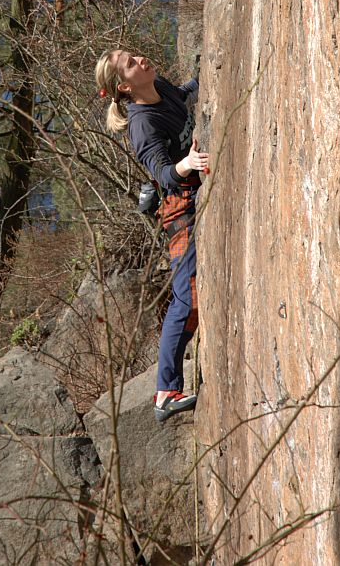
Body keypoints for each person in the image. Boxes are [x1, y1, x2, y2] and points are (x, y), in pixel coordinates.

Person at [95, 50, 209, 422]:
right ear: (125, 86)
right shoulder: (141, 124)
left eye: (134, 55)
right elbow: (162, 173)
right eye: (131, 63)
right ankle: (164, 393)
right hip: (180, 209)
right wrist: (188, 164)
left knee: (191, 301)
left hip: (194, 193)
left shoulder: (159, 86)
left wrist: (208, 70)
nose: (141, 59)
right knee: (186, 299)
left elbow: (184, 93)